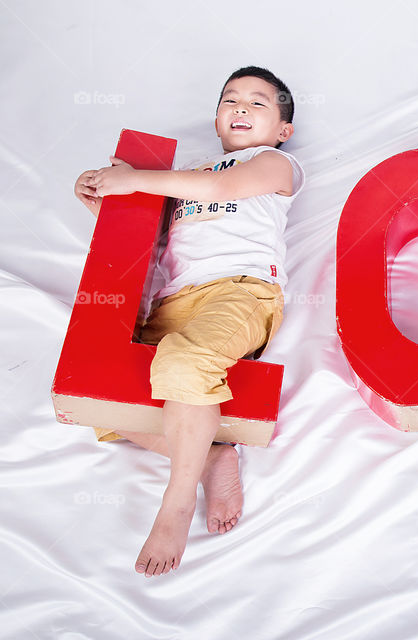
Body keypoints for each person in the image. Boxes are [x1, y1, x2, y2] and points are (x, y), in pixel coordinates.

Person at [72, 66, 305, 577]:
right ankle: (210, 459)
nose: (241, 107)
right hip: (173, 301)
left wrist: (132, 180)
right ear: (217, 117)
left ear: (283, 131)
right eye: (230, 100)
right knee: (104, 403)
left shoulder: (271, 164)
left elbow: (228, 186)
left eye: (258, 103)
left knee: (183, 364)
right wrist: (105, 201)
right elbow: (155, 241)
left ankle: (174, 506)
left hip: (241, 290)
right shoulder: (189, 178)